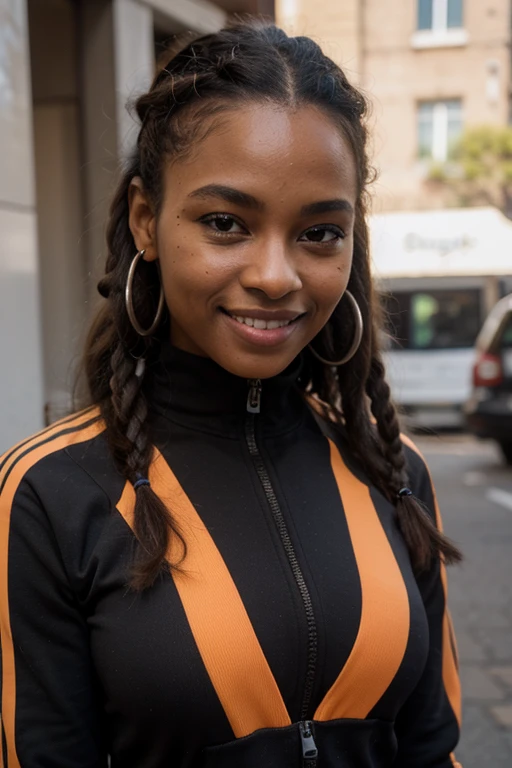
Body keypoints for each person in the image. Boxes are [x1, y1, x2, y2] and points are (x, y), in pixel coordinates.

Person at [0, 21, 463, 768]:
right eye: (226, 223)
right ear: (147, 221)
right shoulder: (50, 493)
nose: (276, 275)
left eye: (319, 233)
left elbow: (432, 747)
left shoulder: (392, 470)